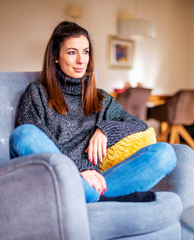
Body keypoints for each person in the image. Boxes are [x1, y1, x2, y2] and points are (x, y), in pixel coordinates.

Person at [9, 21, 177, 203]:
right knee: (24, 134)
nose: (81, 60)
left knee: (165, 153)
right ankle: (97, 196)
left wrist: (105, 130)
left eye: (86, 51)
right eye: (72, 52)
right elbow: (35, 137)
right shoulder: (37, 92)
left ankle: (92, 196)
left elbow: (139, 125)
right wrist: (80, 168)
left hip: (97, 181)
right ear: (56, 56)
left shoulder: (101, 99)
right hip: (65, 176)